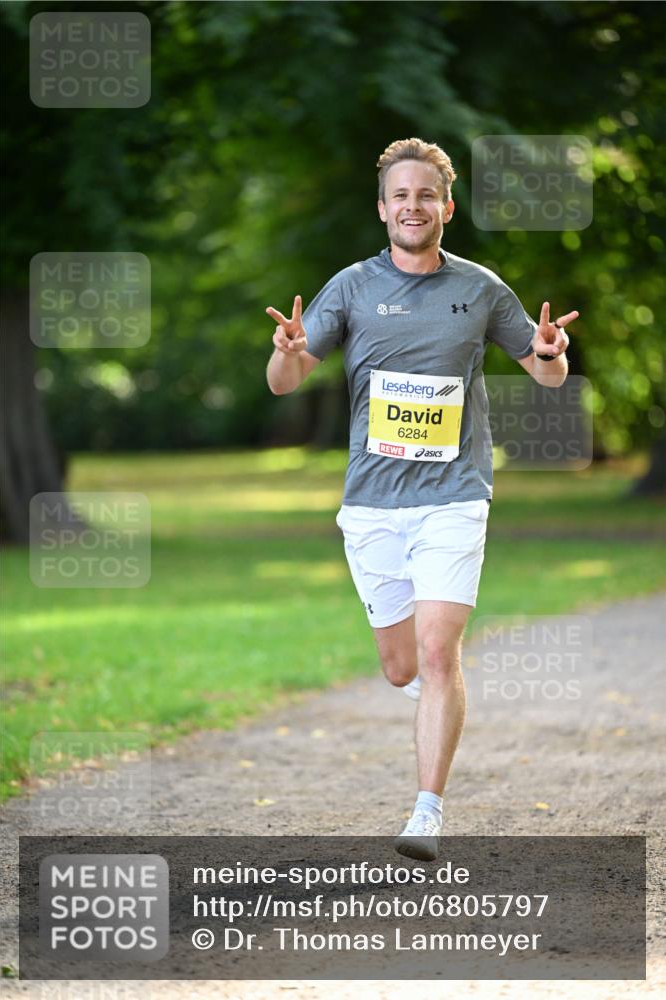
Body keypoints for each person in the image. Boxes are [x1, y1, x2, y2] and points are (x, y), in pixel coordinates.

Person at [265, 137, 578, 862]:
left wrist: (552, 352)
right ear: (382, 208)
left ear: (447, 206)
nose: (413, 206)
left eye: (425, 195)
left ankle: (426, 812)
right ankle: (436, 698)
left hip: (454, 495)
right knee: (401, 667)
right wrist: (286, 350)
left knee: (438, 654)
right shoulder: (348, 287)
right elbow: (286, 379)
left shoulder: (480, 288)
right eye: (400, 195)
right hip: (372, 504)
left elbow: (543, 374)